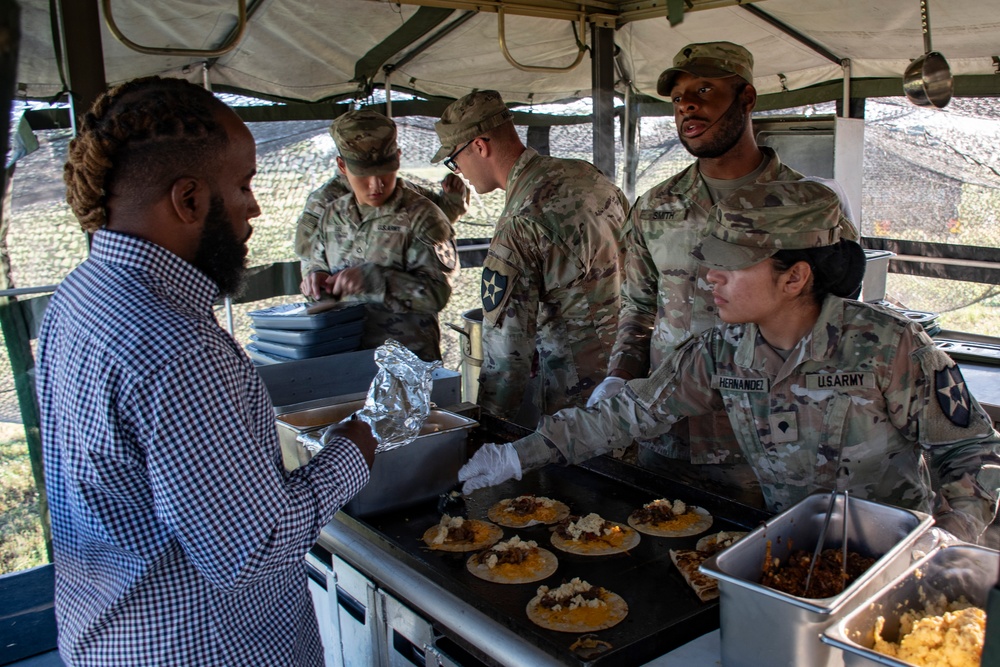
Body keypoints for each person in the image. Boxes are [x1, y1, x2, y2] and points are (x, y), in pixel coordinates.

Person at [40, 76, 378, 666]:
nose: (255, 207)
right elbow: (252, 549)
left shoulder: (78, 296)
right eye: (244, 185)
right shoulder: (179, 348)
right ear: (189, 199)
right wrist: (355, 448)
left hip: (109, 634)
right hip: (201, 648)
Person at [458, 180, 1000, 544]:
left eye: (730, 265)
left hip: (892, 556)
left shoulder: (889, 346)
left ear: (794, 277)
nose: (708, 277)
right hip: (791, 549)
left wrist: (948, 537)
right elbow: (626, 416)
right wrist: (516, 456)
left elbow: (970, 449)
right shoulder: (722, 352)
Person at [585, 41, 860, 503]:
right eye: (677, 98)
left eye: (705, 89)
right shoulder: (655, 207)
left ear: (747, 99)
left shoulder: (809, 208)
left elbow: (841, 320)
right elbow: (638, 306)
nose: (687, 105)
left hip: (766, 442)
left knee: (762, 566)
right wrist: (619, 375)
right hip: (668, 434)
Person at [431, 90, 628, 426]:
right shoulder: (587, 177)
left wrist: (488, 431)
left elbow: (507, 356)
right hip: (631, 374)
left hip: (580, 400)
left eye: (454, 158)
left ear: (480, 146)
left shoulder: (521, 221)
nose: (458, 170)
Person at [300, 109, 458, 362]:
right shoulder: (332, 215)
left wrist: (376, 281)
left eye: (385, 171)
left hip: (406, 365)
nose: (376, 185)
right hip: (345, 359)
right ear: (343, 166)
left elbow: (437, 295)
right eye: (363, 174)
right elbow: (315, 265)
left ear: (398, 158)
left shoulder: (422, 216)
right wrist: (316, 279)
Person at [293, 162, 468, 261]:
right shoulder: (325, 200)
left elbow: (440, 220)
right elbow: (308, 254)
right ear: (343, 165)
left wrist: (453, 197)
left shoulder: (400, 189)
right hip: (345, 310)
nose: (376, 184)